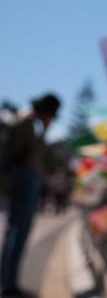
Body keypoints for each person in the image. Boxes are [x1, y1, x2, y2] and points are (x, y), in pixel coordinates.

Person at [0, 93, 60, 298]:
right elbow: (31, 153)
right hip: (23, 180)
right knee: (18, 233)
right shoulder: (27, 124)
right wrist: (44, 131)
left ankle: (7, 280)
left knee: (14, 233)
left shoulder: (25, 121)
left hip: (22, 180)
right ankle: (8, 284)